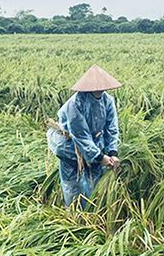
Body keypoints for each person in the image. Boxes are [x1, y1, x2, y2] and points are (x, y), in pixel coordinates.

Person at [47, 65, 121, 209]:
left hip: (92, 143)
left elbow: (111, 129)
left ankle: (93, 209)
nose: (100, 90)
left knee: (95, 180)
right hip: (69, 146)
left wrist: (113, 153)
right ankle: (74, 212)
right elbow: (80, 135)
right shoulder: (75, 104)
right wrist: (99, 157)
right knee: (73, 183)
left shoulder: (108, 101)